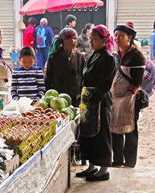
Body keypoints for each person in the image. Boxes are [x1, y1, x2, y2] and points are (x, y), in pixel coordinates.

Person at [76, 25, 116, 181]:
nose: (91, 41)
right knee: (88, 134)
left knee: (102, 133)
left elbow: (106, 83)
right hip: (88, 101)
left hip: (100, 101)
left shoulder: (109, 58)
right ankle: (92, 166)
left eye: (95, 39)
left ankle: (104, 169)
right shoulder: (92, 56)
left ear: (104, 40)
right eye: (90, 38)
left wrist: (95, 97)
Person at [111, 22, 146, 168]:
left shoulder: (137, 56)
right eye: (116, 36)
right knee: (115, 128)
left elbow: (137, 82)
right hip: (115, 98)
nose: (117, 39)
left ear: (129, 37)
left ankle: (130, 161)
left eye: (121, 36)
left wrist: (128, 97)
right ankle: (118, 159)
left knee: (130, 129)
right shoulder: (116, 54)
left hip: (130, 99)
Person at [45, 28, 85, 106]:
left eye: (76, 38)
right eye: (73, 38)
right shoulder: (53, 58)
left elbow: (82, 77)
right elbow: (48, 80)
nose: (75, 41)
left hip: (76, 97)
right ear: (64, 40)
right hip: (58, 99)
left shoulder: (80, 57)